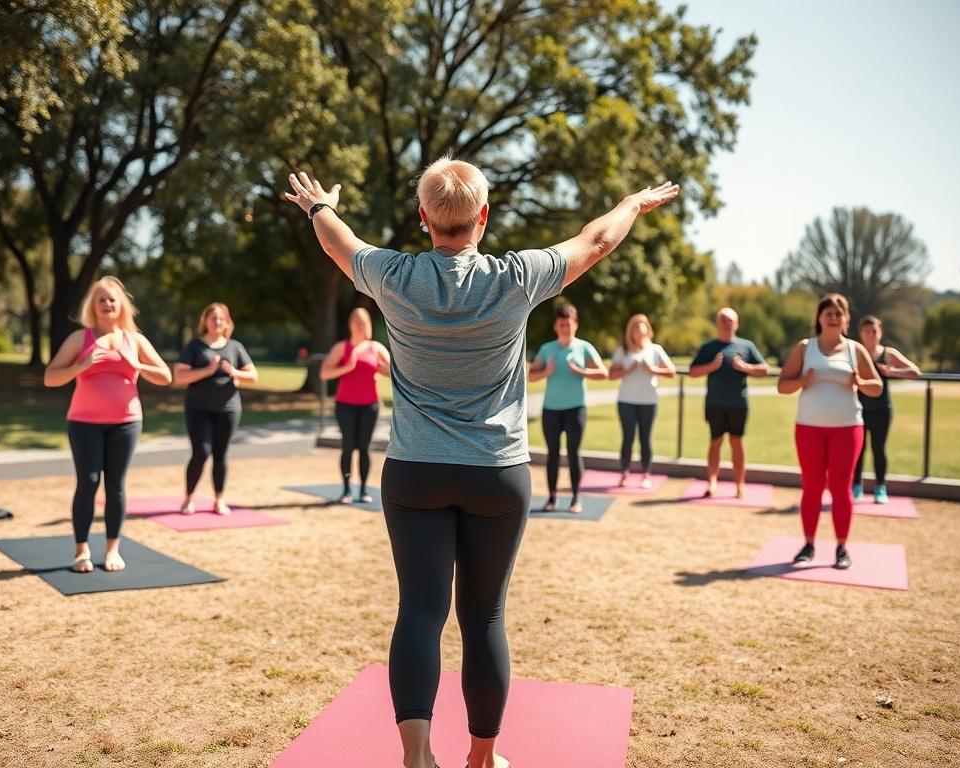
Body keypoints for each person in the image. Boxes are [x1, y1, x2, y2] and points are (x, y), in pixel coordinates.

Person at [283, 160, 678, 768]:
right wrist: (631, 202)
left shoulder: (392, 275)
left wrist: (318, 206)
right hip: (497, 473)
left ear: (423, 219)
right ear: (483, 218)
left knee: (419, 607)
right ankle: (482, 758)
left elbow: (340, 241)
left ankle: (417, 755)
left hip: (415, 470)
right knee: (484, 614)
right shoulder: (517, 277)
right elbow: (596, 239)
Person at [44, 276, 172, 572]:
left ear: (121, 305)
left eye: (112, 299)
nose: (107, 304)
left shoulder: (134, 340)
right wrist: (81, 366)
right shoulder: (81, 338)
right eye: (101, 299)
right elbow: (51, 378)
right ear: (94, 305)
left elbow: (165, 376)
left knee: (115, 485)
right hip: (84, 422)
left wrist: (136, 364)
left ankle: (113, 549)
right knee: (88, 482)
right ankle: (81, 550)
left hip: (126, 423)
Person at [777, 293, 882, 569]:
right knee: (812, 488)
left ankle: (842, 548)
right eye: (828, 313)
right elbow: (782, 385)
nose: (833, 317)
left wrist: (859, 381)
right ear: (819, 318)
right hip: (809, 428)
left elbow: (877, 387)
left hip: (847, 429)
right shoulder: (805, 348)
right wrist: (802, 380)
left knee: (840, 489)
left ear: (846, 319)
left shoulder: (854, 350)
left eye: (839, 313)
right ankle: (809, 544)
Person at [173, 302, 257, 515]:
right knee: (201, 452)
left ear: (227, 322)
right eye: (213, 318)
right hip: (198, 408)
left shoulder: (235, 347)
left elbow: (253, 376)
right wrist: (208, 370)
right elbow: (179, 377)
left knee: (221, 455)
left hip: (228, 409)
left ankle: (219, 499)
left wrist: (235, 373)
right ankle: (188, 498)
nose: (217, 322)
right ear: (205, 322)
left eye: (221, 318)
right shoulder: (194, 347)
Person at [527, 304, 607, 513]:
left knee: (573, 453)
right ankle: (552, 498)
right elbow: (529, 376)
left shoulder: (584, 348)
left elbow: (603, 373)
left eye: (568, 324)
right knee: (552, 453)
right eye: (561, 324)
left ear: (575, 325)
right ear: (555, 326)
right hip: (551, 410)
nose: (565, 327)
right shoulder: (547, 349)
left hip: (576, 409)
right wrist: (547, 371)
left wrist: (581, 371)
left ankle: (575, 499)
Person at [688, 308, 769, 497]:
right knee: (715, 442)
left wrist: (746, 367)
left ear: (737, 323)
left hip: (738, 404)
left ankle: (740, 485)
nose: (726, 323)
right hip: (715, 403)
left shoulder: (746, 346)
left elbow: (764, 369)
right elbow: (693, 371)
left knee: (736, 442)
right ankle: (712, 482)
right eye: (722, 320)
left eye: (730, 320)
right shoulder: (708, 348)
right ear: (717, 324)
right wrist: (711, 366)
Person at [320, 307, 391, 503]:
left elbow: (394, 373)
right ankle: (346, 490)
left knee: (364, 447)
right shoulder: (342, 348)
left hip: (369, 405)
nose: (361, 325)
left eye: (364, 322)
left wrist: (384, 369)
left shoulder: (375, 348)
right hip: (345, 404)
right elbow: (324, 374)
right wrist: (346, 367)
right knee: (348, 445)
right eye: (357, 321)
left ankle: (363, 490)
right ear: (351, 324)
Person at [852, 315, 920, 503]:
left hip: (882, 410)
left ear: (880, 332)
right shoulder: (856, 353)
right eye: (867, 331)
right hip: (858, 409)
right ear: (861, 333)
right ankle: (856, 486)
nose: (871, 335)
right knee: (858, 449)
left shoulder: (887, 354)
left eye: (874, 331)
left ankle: (880, 488)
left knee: (878, 449)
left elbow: (915, 371)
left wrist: (892, 372)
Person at [607, 313, 676, 488]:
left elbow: (671, 372)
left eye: (641, 325)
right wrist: (627, 371)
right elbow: (611, 374)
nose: (638, 329)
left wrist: (652, 369)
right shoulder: (623, 350)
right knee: (628, 438)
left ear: (647, 329)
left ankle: (646, 475)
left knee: (645, 439)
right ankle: (624, 474)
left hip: (649, 401)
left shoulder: (655, 350)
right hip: (626, 401)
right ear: (630, 330)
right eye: (635, 326)